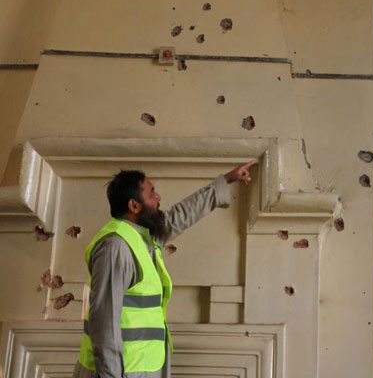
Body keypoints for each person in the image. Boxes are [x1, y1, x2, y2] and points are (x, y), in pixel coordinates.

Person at [72, 160, 256, 378]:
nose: (158, 197)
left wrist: (226, 180)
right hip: (118, 372)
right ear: (134, 205)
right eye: (152, 193)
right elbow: (105, 322)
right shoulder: (116, 247)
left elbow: (181, 215)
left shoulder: (143, 236)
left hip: (140, 367)